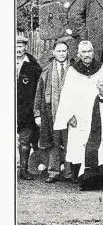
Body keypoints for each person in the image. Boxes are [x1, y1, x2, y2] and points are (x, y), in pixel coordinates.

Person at [53, 41, 103, 181]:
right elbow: (66, 95)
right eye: (84, 52)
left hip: (98, 113)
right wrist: (69, 116)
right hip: (78, 116)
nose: (87, 55)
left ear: (93, 52)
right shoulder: (73, 71)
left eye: (89, 51)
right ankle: (77, 174)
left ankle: (96, 174)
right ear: (78, 54)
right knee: (78, 143)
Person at [33, 39, 70, 182]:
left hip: (69, 113)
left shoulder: (73, 69)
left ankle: (69, 173)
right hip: (51, 112)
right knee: (54, 143)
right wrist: (37, 114)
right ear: (53, 53)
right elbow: (39, 94)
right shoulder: (47, 71)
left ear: (68, 52)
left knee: (68, 142)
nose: (61, 54)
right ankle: (53, 172)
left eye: (64, 51)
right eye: (59, 51)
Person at [16, 33, 42, 179]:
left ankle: (23, 170)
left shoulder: (33, 66)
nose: (18, 50)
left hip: (26, 110)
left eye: (21, 46)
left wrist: (34, 110)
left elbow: (38, 90)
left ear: (26, 47)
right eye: (16, 46)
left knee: (25, 141)